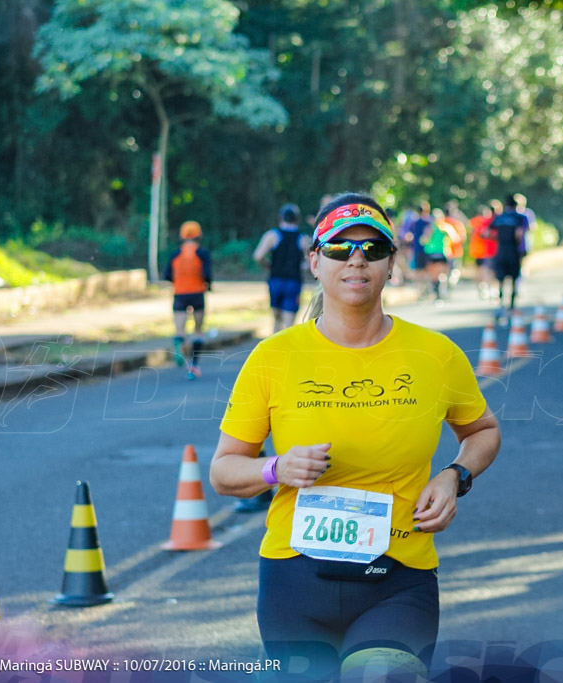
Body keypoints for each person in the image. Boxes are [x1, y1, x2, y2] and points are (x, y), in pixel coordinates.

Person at [209, 192, 501, 679]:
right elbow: (223, 471)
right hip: (293, 580)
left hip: (399, 581)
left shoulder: (435, 355)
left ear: (392, 263)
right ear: (316, 261)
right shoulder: (273, 358)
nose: (357, 260)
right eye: (340, 249)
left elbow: (484, 430)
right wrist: (276, 468)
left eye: (373, 248)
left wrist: (454, 476)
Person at [164, 220, 212, 380]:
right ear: (199, 235)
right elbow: (207, 275)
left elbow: (167, 275)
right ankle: (194, 366)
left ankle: (179, 342)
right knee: (198, 331)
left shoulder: (175, 254)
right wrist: (208, 285)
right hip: (197, 293)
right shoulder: (202, 253)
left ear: (182, 235)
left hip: (180, 294)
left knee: (180, 329)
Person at [254, 203, 312, 334]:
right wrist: (303, 267)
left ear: (281, 218)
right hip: (293, 281)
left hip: (275, 280)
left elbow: (258, 256)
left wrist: (267, 264)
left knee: (276, 320)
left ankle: (274, 348)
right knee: (289, 322)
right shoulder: (302, 238)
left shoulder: (272, 235)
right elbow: (310, 262)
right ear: (297, 219)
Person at [489, 194, 528, 313]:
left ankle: (500, 301)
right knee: (514, 277)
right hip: (514, 251)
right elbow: (519, 234)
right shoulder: (520, 217)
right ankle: (512, 303)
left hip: (501, 250)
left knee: (500, 278)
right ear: (516, 205)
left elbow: (487, 233)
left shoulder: (499, 217)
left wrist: (499, 238)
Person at [468, 204, 497, 299]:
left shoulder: (472, 221)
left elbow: (469, 232)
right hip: (484, 250)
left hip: (474, 249)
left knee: (478, 270)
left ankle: (479, 288)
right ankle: (484, 288)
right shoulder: (485, 221)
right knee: (485, 270)